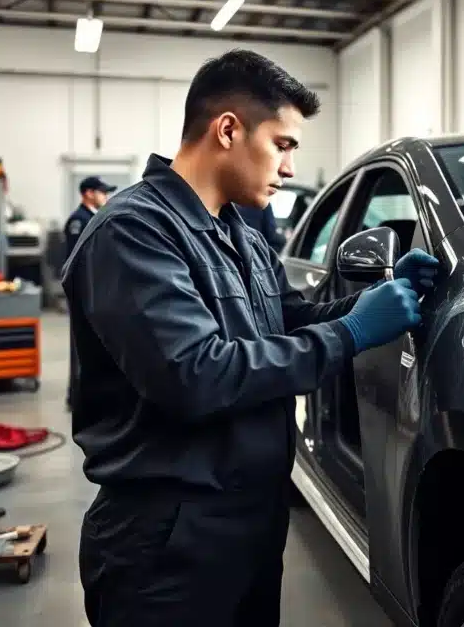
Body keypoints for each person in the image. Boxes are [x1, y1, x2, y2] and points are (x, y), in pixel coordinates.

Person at [60, 49, 440, 627]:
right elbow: (196, 374)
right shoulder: (133, 231)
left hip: (250, 523)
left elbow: (287, 319)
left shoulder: (241, 233)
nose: (288, 168)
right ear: (228, 130)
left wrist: (374, 303)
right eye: (282, 145)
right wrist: (354, 331)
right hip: (167, 541)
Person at [63, 175, 116, 410]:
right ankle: (76, 398)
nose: (106, 196)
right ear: (88, 193)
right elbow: (77, 261)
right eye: (102, 192)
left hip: (97, 291)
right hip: (85, 292)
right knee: (80, 346)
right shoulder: (78, 221)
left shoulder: (95, 217)